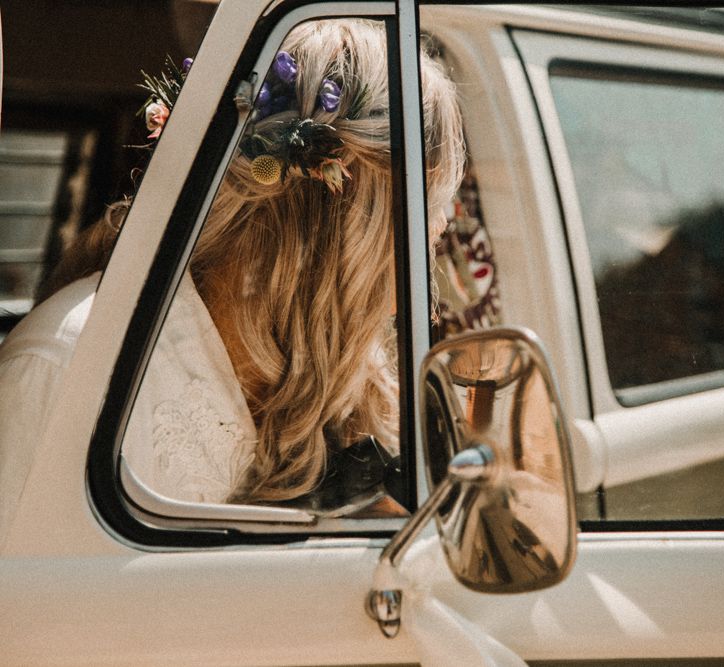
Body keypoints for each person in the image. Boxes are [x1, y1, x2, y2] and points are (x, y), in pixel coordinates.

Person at [0, 19, 465, 525]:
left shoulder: (353, 382)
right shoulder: (68, 370)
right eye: (427, 200)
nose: (442, 223)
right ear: (338, 224)